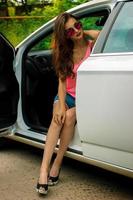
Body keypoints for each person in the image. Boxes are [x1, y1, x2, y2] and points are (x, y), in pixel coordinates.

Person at [36, 12, 100, 195]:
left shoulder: (92, 45)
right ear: (64, 36)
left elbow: (102, 34)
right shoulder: (64, 52)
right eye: (69, 32)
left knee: (70, 116)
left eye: (77, 26)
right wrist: (61, 104)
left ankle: (58, 163)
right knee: (58, 118)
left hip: (85, 98)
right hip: (68, 95)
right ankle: (43, 170)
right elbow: (62, 83)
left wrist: (82, 31)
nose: (75, 31)